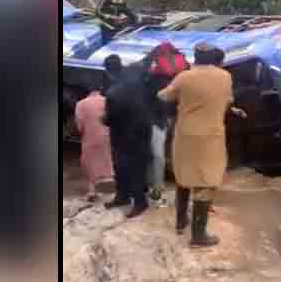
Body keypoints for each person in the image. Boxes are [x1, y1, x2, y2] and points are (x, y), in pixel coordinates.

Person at [157, 43, 246, 247]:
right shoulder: (225, 77)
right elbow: (227, 100)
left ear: (195, 57)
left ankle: (181, 222)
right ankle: (198, 236)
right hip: (210, 138)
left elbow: (163, 96)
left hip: (185, 135)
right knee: (205, 181)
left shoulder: (184, 77)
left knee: (184, 176)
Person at [134, 41, 189, 206]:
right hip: (175, 116)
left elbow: (140, 74)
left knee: (155, 153)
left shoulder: (151, 77)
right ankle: (164, 185)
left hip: (156, 119)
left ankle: (155, 188)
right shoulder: (182, 72)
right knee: (166, 152)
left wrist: (150, 56)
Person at [103, 66, 153, 218]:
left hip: (120, 139)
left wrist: (103, 119)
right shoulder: (144, 91)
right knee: (137, 171)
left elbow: (109, 119)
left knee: (121, 169)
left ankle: (125, 198)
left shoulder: (113, 93)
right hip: (141, 138)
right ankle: (138, 201)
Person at [74, 83, 114, 202]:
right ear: (100, 90)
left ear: (87, 91)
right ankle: (112, 188)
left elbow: (79, 126)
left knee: (89, 162)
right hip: (108, 135)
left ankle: (92, 190)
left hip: (89, 137)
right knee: (108, 159)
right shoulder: (108, 101)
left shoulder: (80, 104)